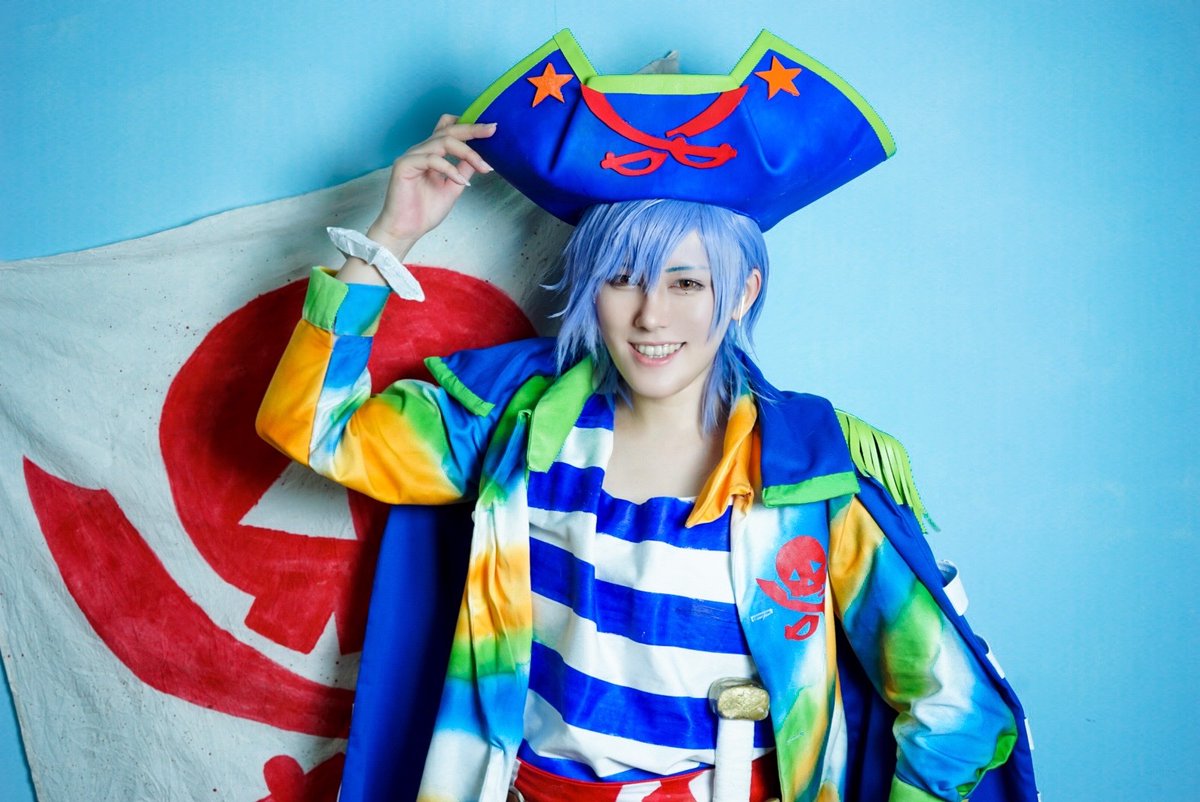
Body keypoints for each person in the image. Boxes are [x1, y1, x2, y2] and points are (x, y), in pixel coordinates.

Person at [257, 30, 1036, 802]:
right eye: (623, 278)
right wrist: (390, 236)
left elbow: (957, 707)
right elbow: (314, 428)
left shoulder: (810, 474)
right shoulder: (514, 421)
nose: (651, 315)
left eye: (687, 284)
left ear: (742, 294)